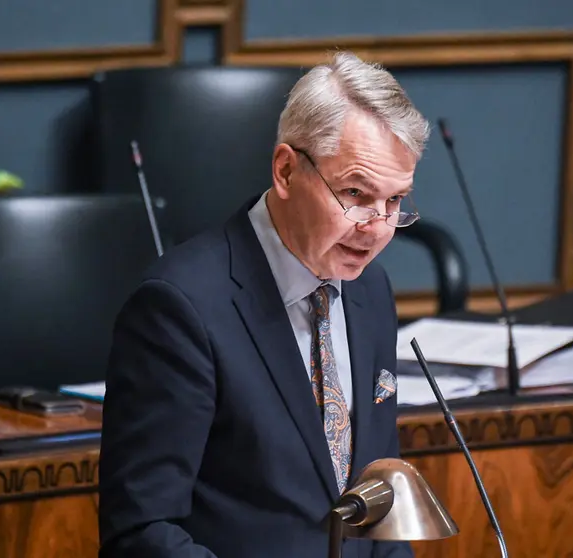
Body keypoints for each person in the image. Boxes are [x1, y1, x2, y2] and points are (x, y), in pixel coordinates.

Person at [97, 50, 430, 558]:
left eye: (394, 201)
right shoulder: (180, 309)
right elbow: (141, 531)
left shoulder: (370, 291)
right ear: (286, 170)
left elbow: (377, 500)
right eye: (356, 194)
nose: (377, 227)